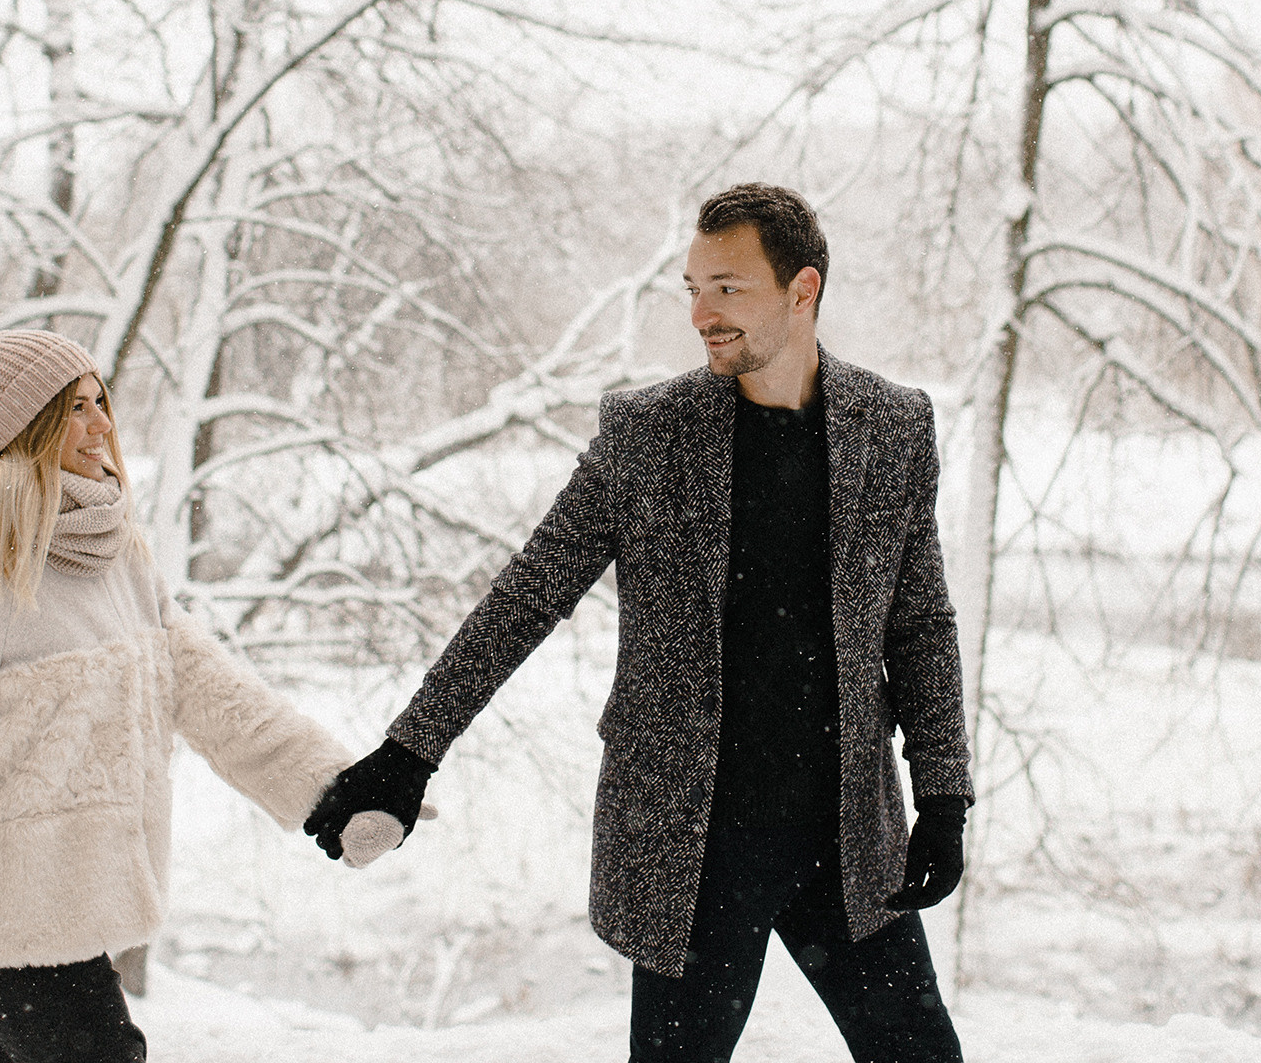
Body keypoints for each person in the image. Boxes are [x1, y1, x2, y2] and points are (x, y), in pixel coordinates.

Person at [305, 184, 973, 1062]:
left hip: (846, 836)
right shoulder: (647, 436)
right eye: (692, 287)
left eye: (727, 287)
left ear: (801, 289)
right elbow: (528, 594)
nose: (701, 313)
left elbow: (918, 622)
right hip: (692, 848)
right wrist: (409, 752)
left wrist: (944, 791)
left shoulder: (891, 427)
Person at [0, 328, 386, 1061]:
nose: (102, 426)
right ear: (25, 429)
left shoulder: (116, 553)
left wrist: (330, 785)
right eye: (75, 410)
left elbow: (207, 686)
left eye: (101, 403)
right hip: (5, 916)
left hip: (74, 909)